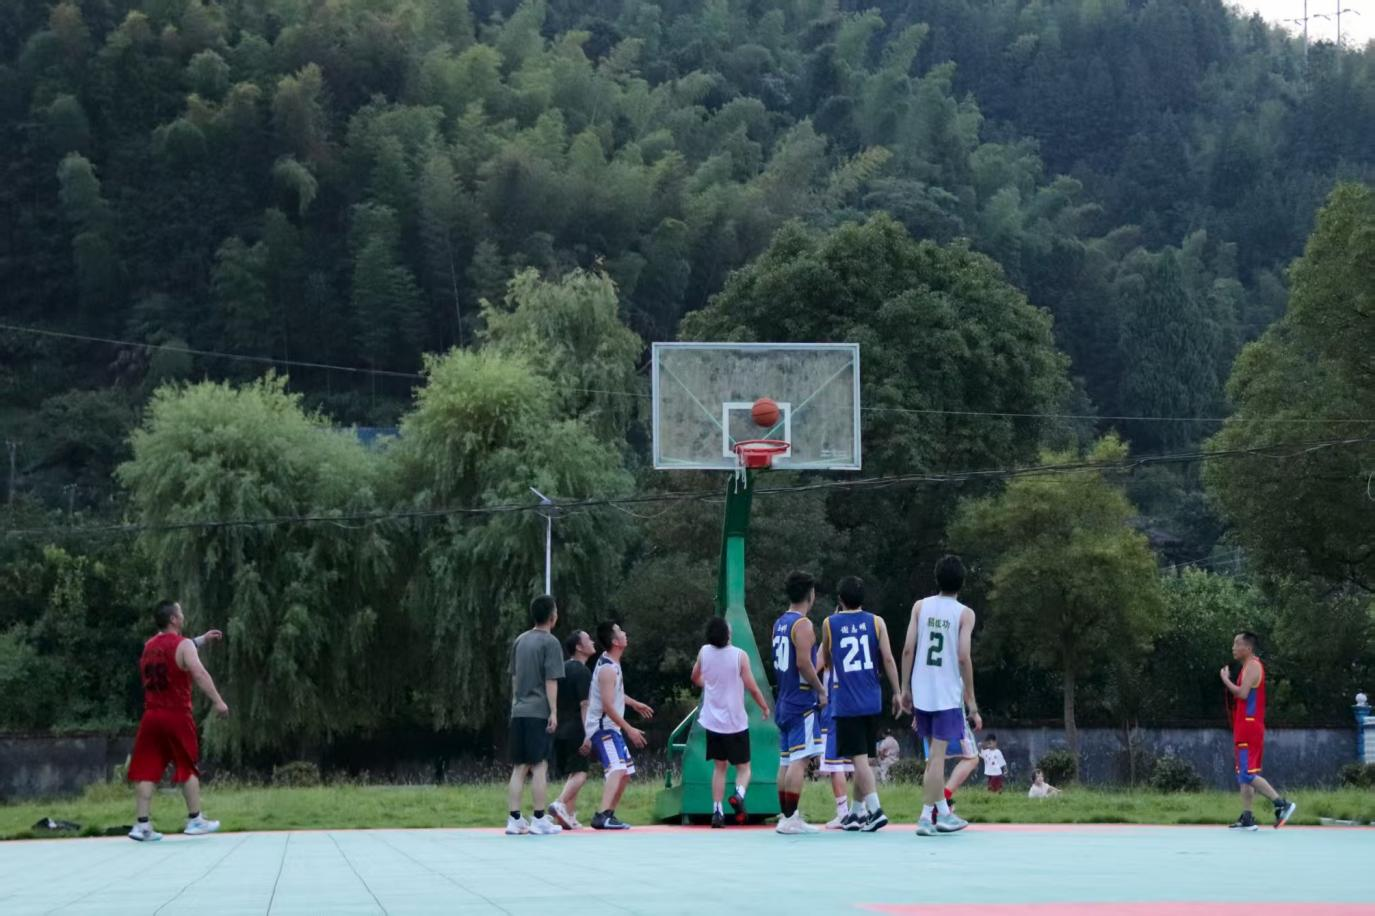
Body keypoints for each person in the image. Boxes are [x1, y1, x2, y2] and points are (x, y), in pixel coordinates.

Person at [127, 599, 228, 842]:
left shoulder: (149, 646)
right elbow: (198, 673)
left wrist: (201, 640)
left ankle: (142, 825)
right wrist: (218, 701)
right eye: (180, 613)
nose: (183, 616)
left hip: (151, 716)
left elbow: (174, 650)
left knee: (146, 768)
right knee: (187, 765)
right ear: (173, 619)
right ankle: (195, 819)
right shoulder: (183, 645)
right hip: (176, 715)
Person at [901, 554, 980, 837]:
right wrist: (972, 702)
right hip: (946, 693)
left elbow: (908, 649)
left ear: (936, 578)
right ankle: (931, 817)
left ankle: (936, 814)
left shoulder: (920, 607)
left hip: (922, 690)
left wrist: (904, 688)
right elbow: (963, 656)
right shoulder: (965, 613)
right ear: (962, 582)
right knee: (937, 758)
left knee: (933, 757)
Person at [819, 576, 902, 833]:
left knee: (859, 760)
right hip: (871, 699)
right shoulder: (876, 622)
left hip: (846, 701)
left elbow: (826, 658)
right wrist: (897, 692)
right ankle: (856, 812)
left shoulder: (830, 623)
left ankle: (875, 810)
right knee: (862, 757)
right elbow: (888, 659)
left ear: (840, 599)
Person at [691, 617, 770, 828]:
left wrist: (709, 685)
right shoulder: (739, 656)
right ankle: (739, 795)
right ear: (727, 634)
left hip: (712, 722)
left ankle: (717, 812)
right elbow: (752, 687)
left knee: (720, 768)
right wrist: (764, 707)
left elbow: (695, 677)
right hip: (735, 722)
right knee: (744, 769)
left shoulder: (704, 652)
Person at [1220, 632, 1297, 830]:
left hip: (1249, 726)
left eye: (1236, 644)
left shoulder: (1253, 666)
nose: (1233, 648)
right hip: (1244, 726)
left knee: (1247, 774)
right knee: (1243, 773)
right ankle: (1247, 817)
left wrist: (1225, 680)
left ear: (1247, 647)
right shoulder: (1247, 667)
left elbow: (1242, 694)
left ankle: (1281, 803)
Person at [771, 571, 827, 834]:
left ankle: (786, 816)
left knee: (786, 760)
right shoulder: (802, 625)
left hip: (784, 697)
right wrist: (821, 690)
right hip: (801, 700)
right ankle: (791, 818)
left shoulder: (779, 623)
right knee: (800, 760)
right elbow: (803, 663)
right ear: (811, 594)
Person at [505, 595, 565, 836]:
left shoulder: (520, 640)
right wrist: (554, 711)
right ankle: (539, 818)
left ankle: (514, 819)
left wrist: (515, 704)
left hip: (519, 710)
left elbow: (515, 677)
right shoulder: (550, 643)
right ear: (552, 616)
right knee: (540, 765)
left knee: (519, 766)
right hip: (538, 711)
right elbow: (551, 679)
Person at [586, 621, 654, 830]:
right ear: (615, 641)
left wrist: (634, 703)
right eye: (620, 631)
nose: (625, 633)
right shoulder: (607, 669)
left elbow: (613, 694)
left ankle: (609, 814)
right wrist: (629, 729)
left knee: (625, 773)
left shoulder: (612, 663)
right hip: (603, 728)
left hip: (611, 727)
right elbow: (607, 705)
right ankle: (601, 816)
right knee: (616, 769)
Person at [549, 630, 595, 830]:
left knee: (573, 772)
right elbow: (585, 704)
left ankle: (569, 815)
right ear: (578, 647)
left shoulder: (562, 669)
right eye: (588, 640)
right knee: (581, 773)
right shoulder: (582, 672)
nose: (592, 642)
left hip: (560, 727)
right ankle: (559, 803)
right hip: (577, 727)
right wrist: (588, 734)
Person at [918, 704, 981, 820]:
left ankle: (928, 813)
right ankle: (943, 801)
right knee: (972, 758)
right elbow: (966, 691)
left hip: (926, 713)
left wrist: (916, 714)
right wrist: (974, 711)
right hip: (951, 714)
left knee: (932, 763)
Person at [816, 663, 858, 829]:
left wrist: (819, 691)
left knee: (835, 765)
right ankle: (860, 810)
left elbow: (810, 668)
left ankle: (843, 813)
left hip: (834, 708)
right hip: (853, 706)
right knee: (857, 763)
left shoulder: (828, 650)